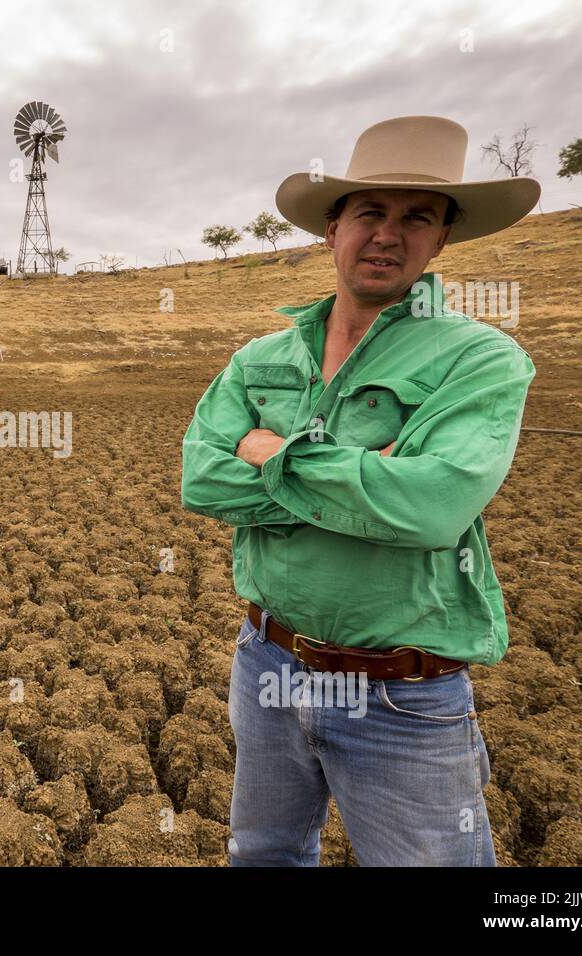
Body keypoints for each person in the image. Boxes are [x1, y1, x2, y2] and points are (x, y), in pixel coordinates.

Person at [180, 115, 540, 866]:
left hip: (402, 694)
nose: (388, 234)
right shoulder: (261, 358)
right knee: (265, 855)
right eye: (370, 212)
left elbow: (431, 507)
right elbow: (203, 480)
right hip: (268, 662)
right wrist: (361, 472)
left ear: (441, 239)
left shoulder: (480, 360)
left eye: (417, 217)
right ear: (332, 228)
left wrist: (272, 454)